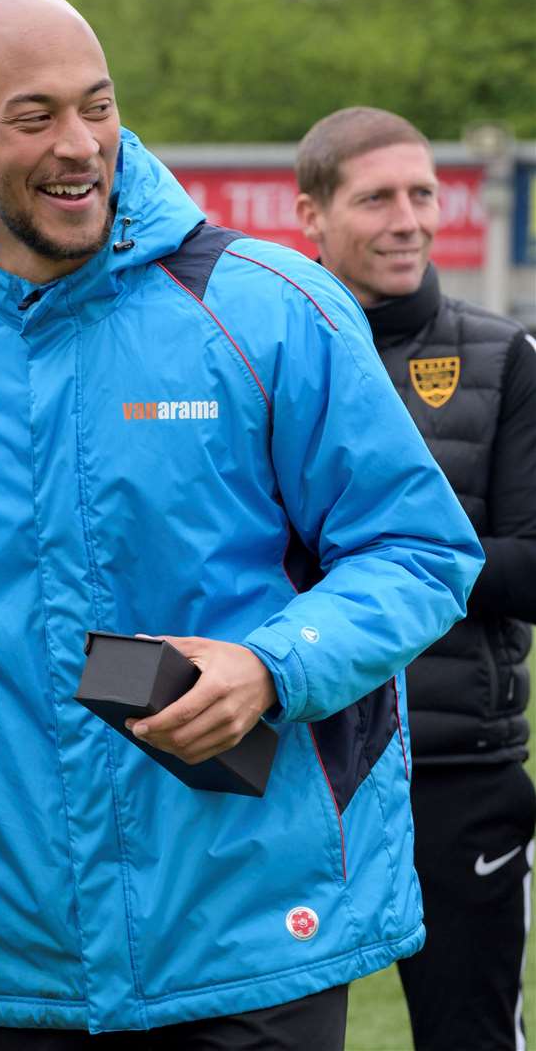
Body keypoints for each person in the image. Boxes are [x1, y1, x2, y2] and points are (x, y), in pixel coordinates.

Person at [0, 0, 483, 1047]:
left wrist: (267, 666)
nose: (79, 145)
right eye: (34, 117)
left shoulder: (267, 305)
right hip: (28, 957)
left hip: (256, 940)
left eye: (98, 107)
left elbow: (418, 550)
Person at [295, 107, 536, 1051]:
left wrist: (393, 566)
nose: (409, 218)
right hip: (299, 769)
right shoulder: (259, 354)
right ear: (310, 215)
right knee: (269, 1036)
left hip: (456, 772)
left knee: (472, 1038)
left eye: (423, 193)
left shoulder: (504, 356)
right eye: (377, 197)